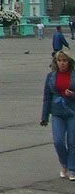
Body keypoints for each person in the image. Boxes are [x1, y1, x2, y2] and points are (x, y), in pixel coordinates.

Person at [40, 49, 75, 180]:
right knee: (58, 141)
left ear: (69, 62)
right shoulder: (51, 76)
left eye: (64, 60)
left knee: (72, 142)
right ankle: (64, 164)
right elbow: (47, 97)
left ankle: (72, 169)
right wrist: (44, 117)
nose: (62, 63)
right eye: (59, 61)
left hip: (72, 112)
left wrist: (72, 95)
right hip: (57, 113)